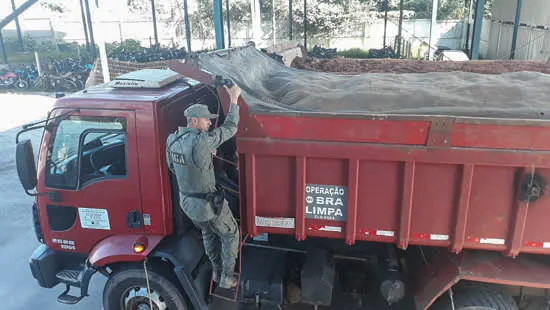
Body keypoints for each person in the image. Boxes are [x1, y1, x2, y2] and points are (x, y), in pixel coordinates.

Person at [166, 84, 242, 289]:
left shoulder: (172, 140)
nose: (210, 122)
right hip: (208, 204)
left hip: (188, 203)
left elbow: (173, 168)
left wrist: (204, 157)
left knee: (208, 234)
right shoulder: (201, 142)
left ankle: (216, 272)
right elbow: (230, 128)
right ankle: (227, 277)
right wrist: (234, 100)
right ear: (194, 121)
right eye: (206, 119)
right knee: (230, 234)